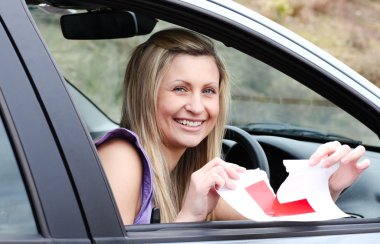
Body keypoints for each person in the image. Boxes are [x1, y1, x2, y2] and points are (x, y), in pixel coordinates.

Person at [96, 28, 370, 225]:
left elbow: (275, 220)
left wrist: (326, 185)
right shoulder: (122, 156)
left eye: (208, 91)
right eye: (180, 89)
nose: (197, 106)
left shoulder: (198, 172)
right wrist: (191, 216)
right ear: (146, 94)